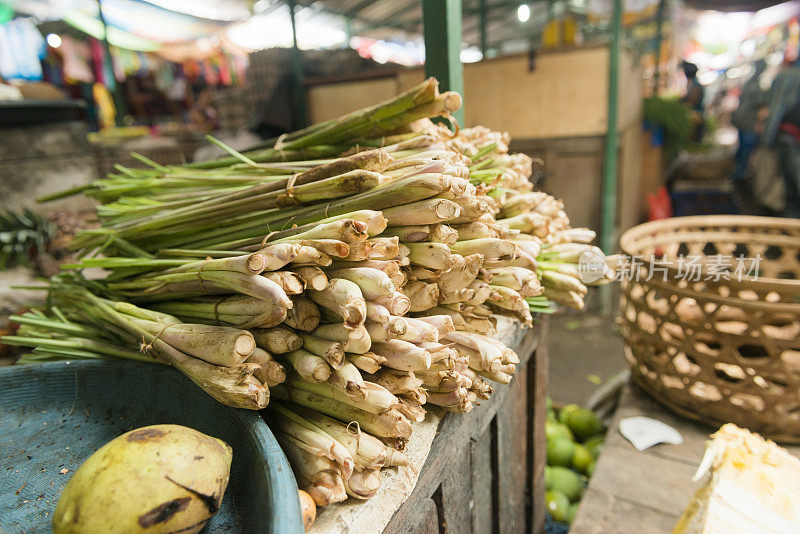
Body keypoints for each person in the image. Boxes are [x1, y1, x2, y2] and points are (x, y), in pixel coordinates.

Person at [762, 58, 800, 218]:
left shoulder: (788, 75)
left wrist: (768, 139)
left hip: (789, 137)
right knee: (792, 188)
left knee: (791, 189)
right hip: (791, 137)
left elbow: (777, 106)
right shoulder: (791, 75)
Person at [731, 59, 768, 182]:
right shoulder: (756, 87)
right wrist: (760, 123)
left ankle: (737, 172)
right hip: (748, 123)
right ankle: (739, 175)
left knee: (742, 149)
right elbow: (760, 108)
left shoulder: (748, 83)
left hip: (742, 121)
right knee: (745, 150)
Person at [681, 61, 705, 143]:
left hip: (697, 116)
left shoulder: (696, 85)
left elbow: (692, 101)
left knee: (693, 141)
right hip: (696, 115)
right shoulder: (692, 83)